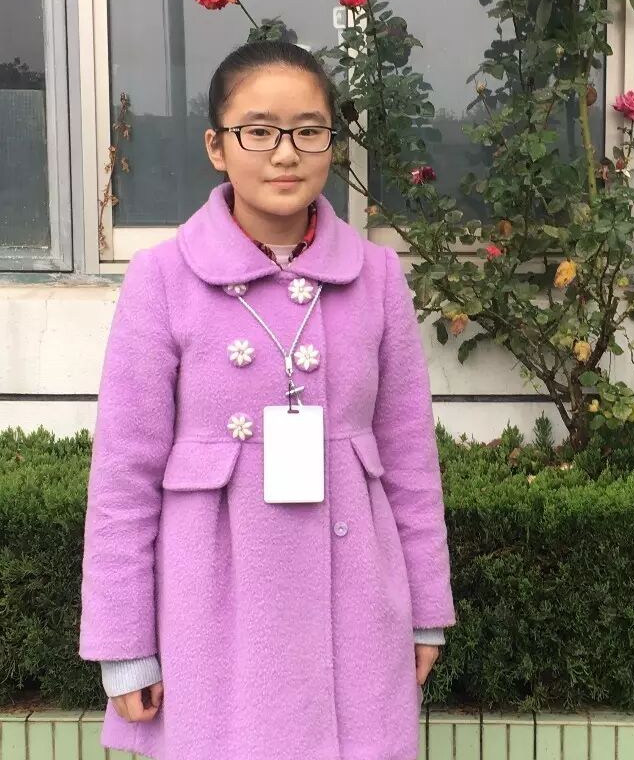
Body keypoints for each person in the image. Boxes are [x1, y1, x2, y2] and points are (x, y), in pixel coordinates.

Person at [78, 39, 456, 760]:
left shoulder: (378, 277)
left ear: (331, 145)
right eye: (258, 131)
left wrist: (426, 611)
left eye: (308, 131)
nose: (285, 154)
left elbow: (411, 459)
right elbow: (123, 479)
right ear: (216, 147)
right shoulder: (163, 278)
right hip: (212, 608)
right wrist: (123, 646)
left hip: (356, 602)